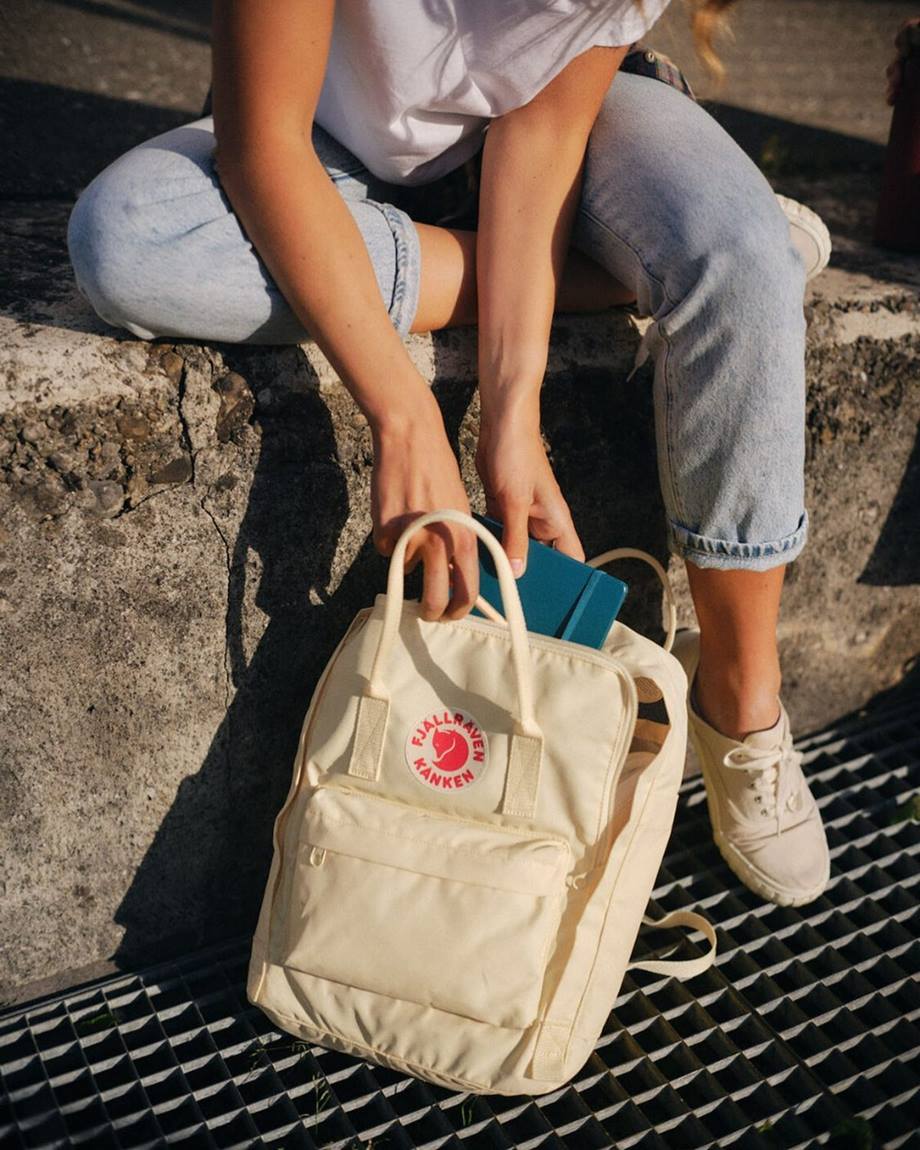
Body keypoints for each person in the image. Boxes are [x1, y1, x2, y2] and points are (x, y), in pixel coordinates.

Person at [66, 0, 832, 907]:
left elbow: (543, 129)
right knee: (134, 244)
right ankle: (603, 281)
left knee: (742, 254)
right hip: (323, 143)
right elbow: (263, 144)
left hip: (566, 149)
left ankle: (740, 703)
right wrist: (404, 413)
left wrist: (514, 411)